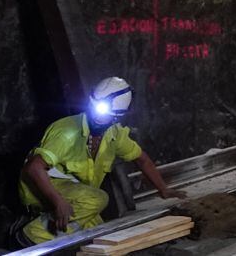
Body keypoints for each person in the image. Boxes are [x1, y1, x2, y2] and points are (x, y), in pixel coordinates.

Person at [16, 77, 185, 245]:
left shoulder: (115, 135)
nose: (96, 118)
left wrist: (164, 190)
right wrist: (58, 202)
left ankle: (56, 234)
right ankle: (29, 237)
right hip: (39, 189)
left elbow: (142, 160)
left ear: (116, 117)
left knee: (99, 235)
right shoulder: (67, 131)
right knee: (98, 199)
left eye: (104, 115)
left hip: (76, 195)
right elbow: (34, 168)